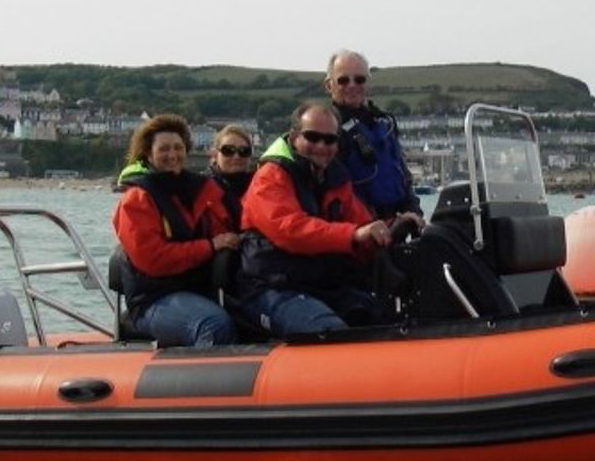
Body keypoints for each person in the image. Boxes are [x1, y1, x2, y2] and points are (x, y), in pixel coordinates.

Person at [237, 102, 394, 336]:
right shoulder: (270, 177)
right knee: (329, 332)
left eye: (330, 140)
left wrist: (390, 229)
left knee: (383, 317)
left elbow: (361, 223)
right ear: (294, 136)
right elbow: (290, 230)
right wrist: (353, 235)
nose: (321, 146)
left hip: (318, 284)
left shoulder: (335, 178)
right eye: (312, 137)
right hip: (269, 287)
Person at [111, 114, 238, 347]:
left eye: (178, 148)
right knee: (214, 325)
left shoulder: (203, 191)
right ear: (148, 154)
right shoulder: (137, 200)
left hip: (200, 290)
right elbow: (154, 259)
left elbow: (230, 228)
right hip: (154, 299)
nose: (173, 155)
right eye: (164, 149)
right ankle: (202, 382)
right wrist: (210, 246)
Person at [324, 49, 424, 228]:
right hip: (360, 231)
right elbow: (332, 192)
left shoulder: (384, 123)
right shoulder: (328, 129)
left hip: (397, 225)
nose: (352, 85)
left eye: (359, 79)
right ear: (329, 85)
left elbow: (402, 177)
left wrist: (415, 214)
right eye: (343, 80)